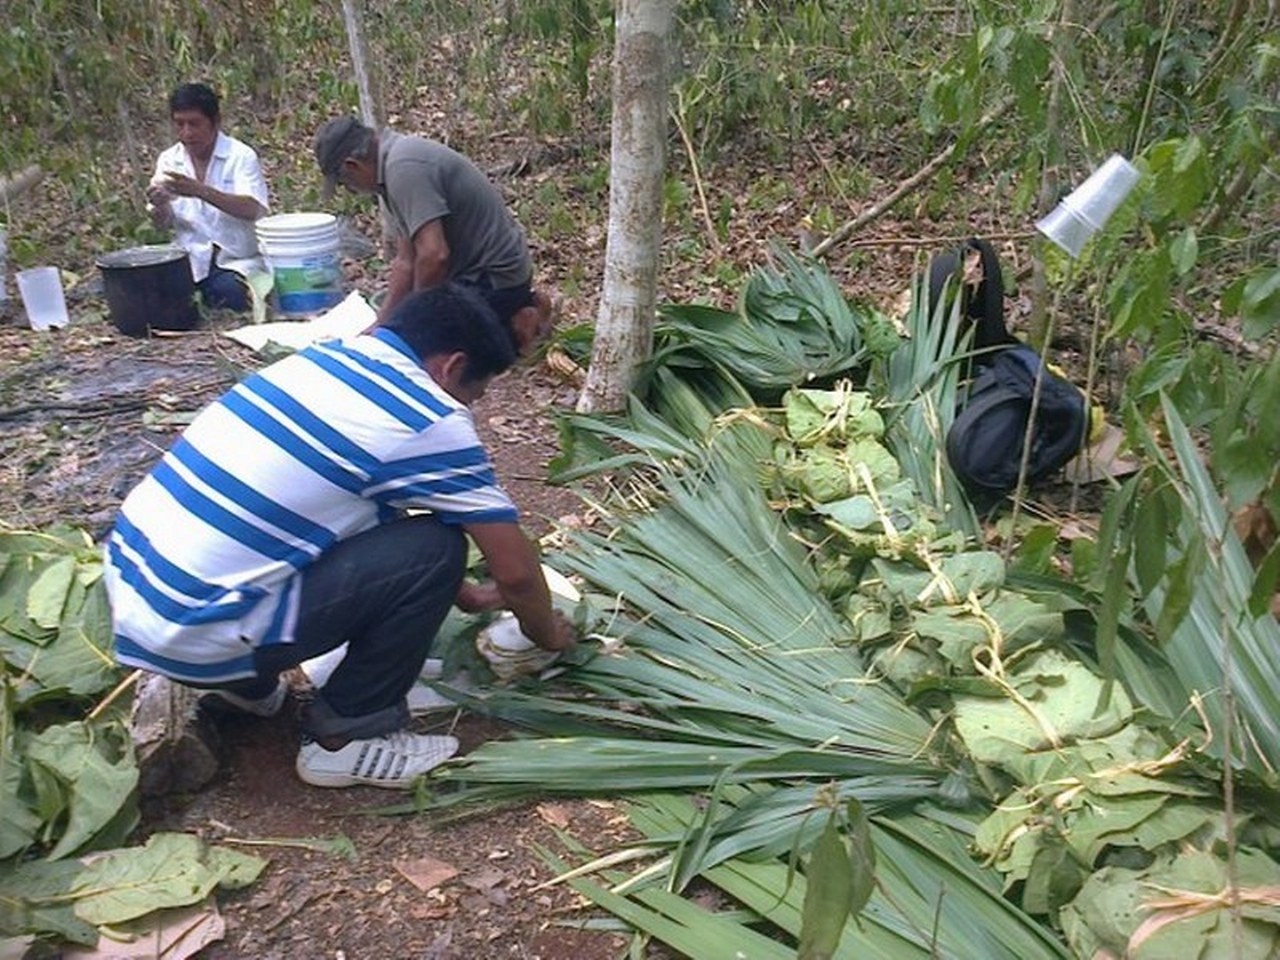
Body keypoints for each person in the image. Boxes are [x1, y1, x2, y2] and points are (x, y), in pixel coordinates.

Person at [103, 284, 578, 789]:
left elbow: (351, 504)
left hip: (144, 607)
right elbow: (516, 574)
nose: (471, 408)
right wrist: (547, 637)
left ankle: (245, 686)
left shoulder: (326, 360)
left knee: (312, 531)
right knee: (438, 547)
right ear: (450, 367)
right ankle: (348, 737)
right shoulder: (427, 417)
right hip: (200, 632)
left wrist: (463, 595)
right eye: (474, 392)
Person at [312, 116, 551, 350]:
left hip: (495, 278)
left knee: (436, 352)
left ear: (353, 166)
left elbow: (435, 255)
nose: (352, 191)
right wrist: (382, 327)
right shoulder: (391, 168)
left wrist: (417, 319)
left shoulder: (403, 168)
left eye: (346, 184)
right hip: (472, 273)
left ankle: (518, 319)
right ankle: (515, 310)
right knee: (408, 329)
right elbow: (406, 262)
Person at [147, 83, 270, 312]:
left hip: (236, 260)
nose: (187, 133)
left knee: (229, 292)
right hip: (190, 260)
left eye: (194, 124)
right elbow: (162, 224)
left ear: (215, 121)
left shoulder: (240, 156)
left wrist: (201, 191)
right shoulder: (169, 160)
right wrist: (159, 205)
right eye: (179, 124)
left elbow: (254, 209)